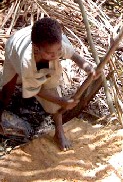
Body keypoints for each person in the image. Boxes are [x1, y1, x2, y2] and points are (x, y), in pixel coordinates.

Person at [0, 17, 97, 151]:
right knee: (7, 88)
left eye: (58, 51)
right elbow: (36, 90)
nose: (56, 55)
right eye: (51, 53)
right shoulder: (27, 61)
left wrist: (88, 68)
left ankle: (59, 132)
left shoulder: (56, 46)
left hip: (42, 56)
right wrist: (62, 101)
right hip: (15, 47)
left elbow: (74, 56)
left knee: (53, 91)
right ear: (36, 49)